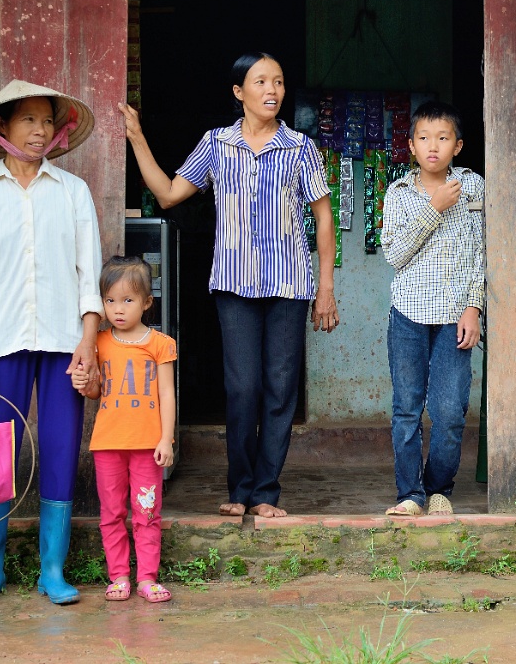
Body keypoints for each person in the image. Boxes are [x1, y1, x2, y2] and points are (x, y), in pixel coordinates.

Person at [118, 51, 339, 519]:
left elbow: (322, 217)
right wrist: (137, 138)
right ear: (239, 93)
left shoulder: (301, 148)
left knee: (280, 389)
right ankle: (238, 489)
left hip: (290, 284)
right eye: (260, 82)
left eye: (278, 82)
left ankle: (264, 493)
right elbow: (168, 193)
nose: (272, 91)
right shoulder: (216, 144)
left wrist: (326, 288)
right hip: (234, 284)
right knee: (242, 388)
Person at [0, 79, 102, 605]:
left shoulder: (72, 191)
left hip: (65, 342)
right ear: (1, 127)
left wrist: (88, 342)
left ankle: (53, 571)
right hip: (0, 344)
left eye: (47, 121)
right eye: (29, 120)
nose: (41, 131)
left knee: (61, 452)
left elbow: (90, 275)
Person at [381, 101, 485, 517]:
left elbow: (482, 250)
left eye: (443, 138)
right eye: (424, 138)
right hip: (407, 314)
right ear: (411, 145)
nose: (433, 146)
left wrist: (474, 307)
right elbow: (395, 254)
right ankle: (410, 495)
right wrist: (434, 207)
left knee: (449, 411)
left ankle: (440, 488)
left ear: (457, 145)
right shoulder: (399, 193)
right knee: (407, 408)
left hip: (455, 316)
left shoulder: (474, 187)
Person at [72, 255, 176, 603]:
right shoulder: (98, 342)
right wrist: (85, 384)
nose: (118, 309)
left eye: (128, 300)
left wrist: (166, 438)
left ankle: (146, 578)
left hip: (148, 445)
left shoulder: (160, 344)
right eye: (110, 301)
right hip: (108, 444)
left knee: (146, 513)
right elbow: (96, 390)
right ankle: (119, 576)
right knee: (112, 513)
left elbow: (166, 393)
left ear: (147, 302)